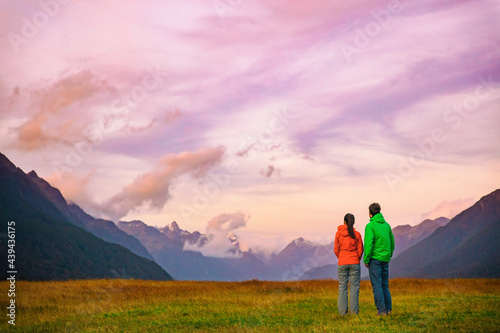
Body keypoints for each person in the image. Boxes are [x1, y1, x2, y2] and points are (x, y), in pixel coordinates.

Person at [363, 203, 395, 316]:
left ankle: (381, 312)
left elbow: (368, 245)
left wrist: (366, 259)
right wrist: (388, 255)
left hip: (375, 260)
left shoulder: (370, 226)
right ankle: (388, 310)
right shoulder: (387, 226)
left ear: (370, 213)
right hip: (385, 259)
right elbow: (392, 242)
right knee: (384, 285)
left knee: (377, 285)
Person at [334, 213, 364, 315]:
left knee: (342, 287)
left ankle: (343, 313)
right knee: (354, 287)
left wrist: (341, 257)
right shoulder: (357, 235)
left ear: (344, 222)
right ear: (354, 222)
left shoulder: (338, 234)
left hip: (342, 262)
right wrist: (356, 258)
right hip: (354, 262)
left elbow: (336, 249)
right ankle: (353, 313)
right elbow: (360, 250)